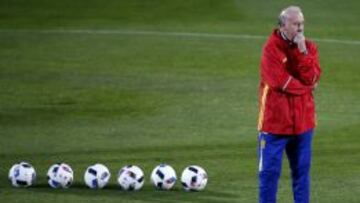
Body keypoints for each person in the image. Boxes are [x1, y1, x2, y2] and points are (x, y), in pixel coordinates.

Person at [257, 6, 322, 203]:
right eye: (295, 24)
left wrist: (302, 52)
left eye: (302, 24)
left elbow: (312, 76)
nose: (300, 28)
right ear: (283, 26)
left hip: (303, 124)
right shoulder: (271, 49)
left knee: (302, 176)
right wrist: (308, 88)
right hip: (274, 126)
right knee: (269, 175)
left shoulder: (309, 47)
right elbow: (280, 82)